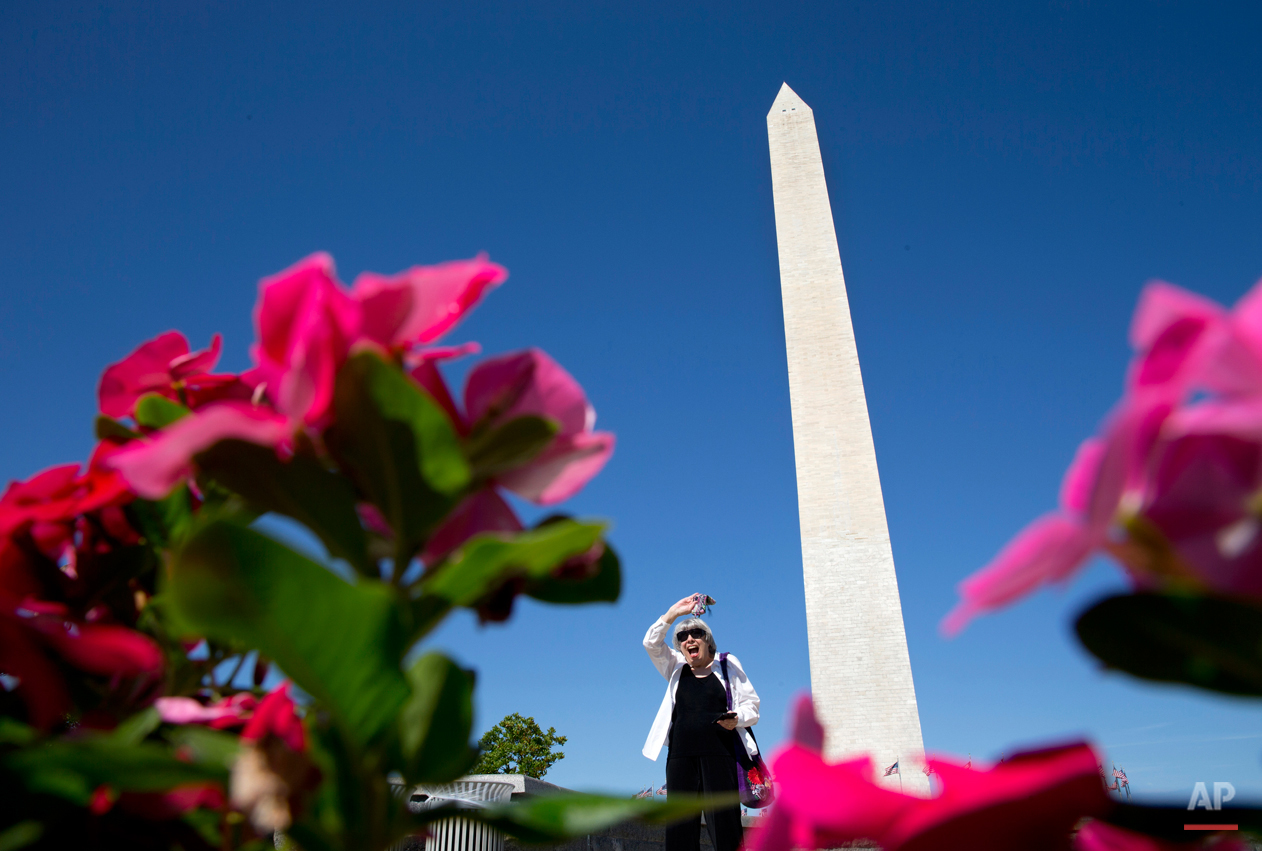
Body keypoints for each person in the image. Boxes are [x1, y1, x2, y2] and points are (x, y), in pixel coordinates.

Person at [643, 594, 760, 851]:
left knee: (726, 827)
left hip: (720, 756)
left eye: (696, 633)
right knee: (680, 830)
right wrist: (674, 612)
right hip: (680, 758)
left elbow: (752, 705)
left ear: (708, 641)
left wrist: (737, 718)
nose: (689, 639)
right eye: (682, 637)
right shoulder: (675, 667)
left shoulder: (727, 665)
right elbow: (651, 643)